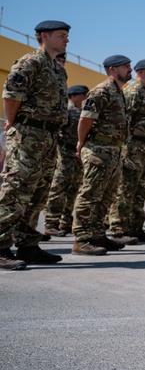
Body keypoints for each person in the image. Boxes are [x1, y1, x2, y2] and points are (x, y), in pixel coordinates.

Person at [0, 20, 70, 269]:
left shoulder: (58, 68)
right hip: (29, 134)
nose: (66, 40)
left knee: (39, 194)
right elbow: (11, 96)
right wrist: (13, 123)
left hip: (49, 138)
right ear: (44, 36)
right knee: (16, 191)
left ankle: (28, 246)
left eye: (67, 36)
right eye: (62, 35)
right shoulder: (30, 62)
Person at [72, 55, 131, 254]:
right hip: (98, 150)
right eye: (126, 67)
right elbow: (85, 120)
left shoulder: (118, 92)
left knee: (106, 196)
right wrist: (82, 143)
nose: (129, 69)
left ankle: (97, 235)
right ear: (113, 69)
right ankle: (81, 239)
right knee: (90, 194)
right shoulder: (101, 91)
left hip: (113, 150)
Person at [107, 59, 145, 242]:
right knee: (126, 188)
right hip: (133, 146)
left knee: (140, 190)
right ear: (141, 72)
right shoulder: (134, 91)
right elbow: (123, 118)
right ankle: (118, 229)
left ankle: (134, 227)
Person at [42, 84, 87, 238]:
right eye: (83, 94)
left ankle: (65, 221)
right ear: (73, 96)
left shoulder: (82, 112)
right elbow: (56, 130)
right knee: (59, 187)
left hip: (77, 154)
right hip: (64, 152)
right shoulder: (67, 111)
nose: (85, 97)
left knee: (73, 188)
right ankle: (51, 223)